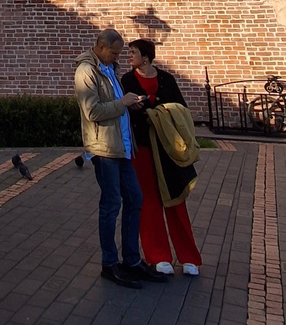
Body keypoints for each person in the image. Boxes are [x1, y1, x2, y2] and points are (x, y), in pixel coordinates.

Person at [74, 28, 168, 289]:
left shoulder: (109, 68)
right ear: (101, 47)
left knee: (135, 198)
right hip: (104, 149)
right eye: (114, 53)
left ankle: (132, 260)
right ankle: (110, 263)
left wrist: (129, 103)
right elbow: (92, 111)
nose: (118, 57)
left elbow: (114, 103)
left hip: (122, 147)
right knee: (111, 205)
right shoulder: (87, 71)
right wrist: (123, 103)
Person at [120, 38, 202, 277]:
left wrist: (157, 113)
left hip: (167, 148)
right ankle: (158, 256)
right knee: (149, 200)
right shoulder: (127, 80)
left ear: (146, 56)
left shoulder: (166, 79)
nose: (130, 57)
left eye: (133, 53)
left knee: (175, 199)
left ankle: (189, 257)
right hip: (143, 146)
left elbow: (181, 109)